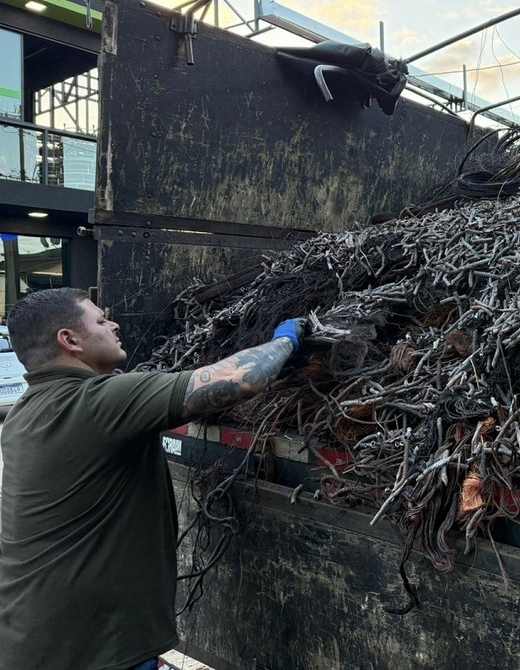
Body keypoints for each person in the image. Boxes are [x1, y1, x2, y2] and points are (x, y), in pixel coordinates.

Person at [0, 287, 307, 670]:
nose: (114, 325)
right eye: (100, 319)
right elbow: (245, 378)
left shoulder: (25, 412)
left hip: (33, 640)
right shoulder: (95, 403)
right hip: (94, 651)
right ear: (70, 340)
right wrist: (286, 339)